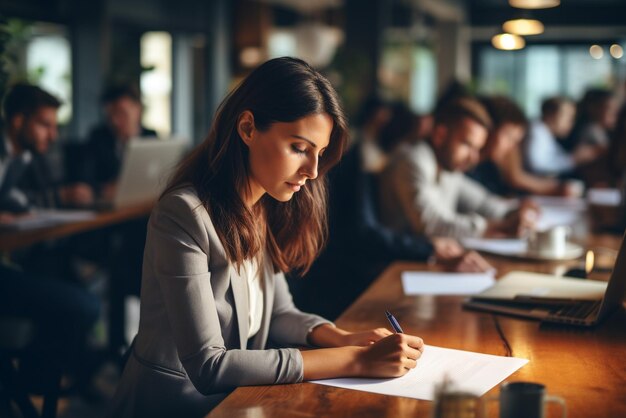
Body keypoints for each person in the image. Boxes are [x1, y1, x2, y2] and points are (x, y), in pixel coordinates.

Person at [109, 57, 425, 417]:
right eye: (299, 148)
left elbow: (279, 312)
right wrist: (353, 360)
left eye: (319, 153)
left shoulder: (261, 204)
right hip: (173, 405)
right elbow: (208, 366)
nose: (313, 171)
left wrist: (340, 337)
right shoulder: (183, 214)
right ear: (247, 128)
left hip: (238, 401)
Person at [0, 83, 100, 394]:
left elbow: (15, 199)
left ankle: (26, 384)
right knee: (80, 305)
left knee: (80, 301)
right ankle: (25, 386)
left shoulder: (19, 158)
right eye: (45, 125)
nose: (53, 136)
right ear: (18, 121)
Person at [379, 98, 536, 239]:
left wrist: (513, 213)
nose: (474, 157)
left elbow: (481, 202)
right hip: (399, 262)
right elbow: (432, 224)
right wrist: (493, 226)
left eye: (477, 148)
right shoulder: (413, 160)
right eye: (467, 145)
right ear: (440, 135)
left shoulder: (448, 168)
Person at [469, 96, 577, 197]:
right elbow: (516, 178)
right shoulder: (470, 166)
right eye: (509, 137)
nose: (512, 147)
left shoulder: (490, 164)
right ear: (488, 129)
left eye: (515, 141)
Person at [81, 83, 157, 201]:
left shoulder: (151, 137)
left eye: (121, 113)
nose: (115, 121)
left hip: (145, 204)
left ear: (137, 109)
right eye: (110, 115)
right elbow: (86, 180)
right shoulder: (98, 138)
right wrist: (102, 190)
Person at [525, 97, 598, 177]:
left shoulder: (545, 132)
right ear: (550, 115)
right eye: (568, 118)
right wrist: (573, 160)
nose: (571, 123)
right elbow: (537, 165)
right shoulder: (536, 131)